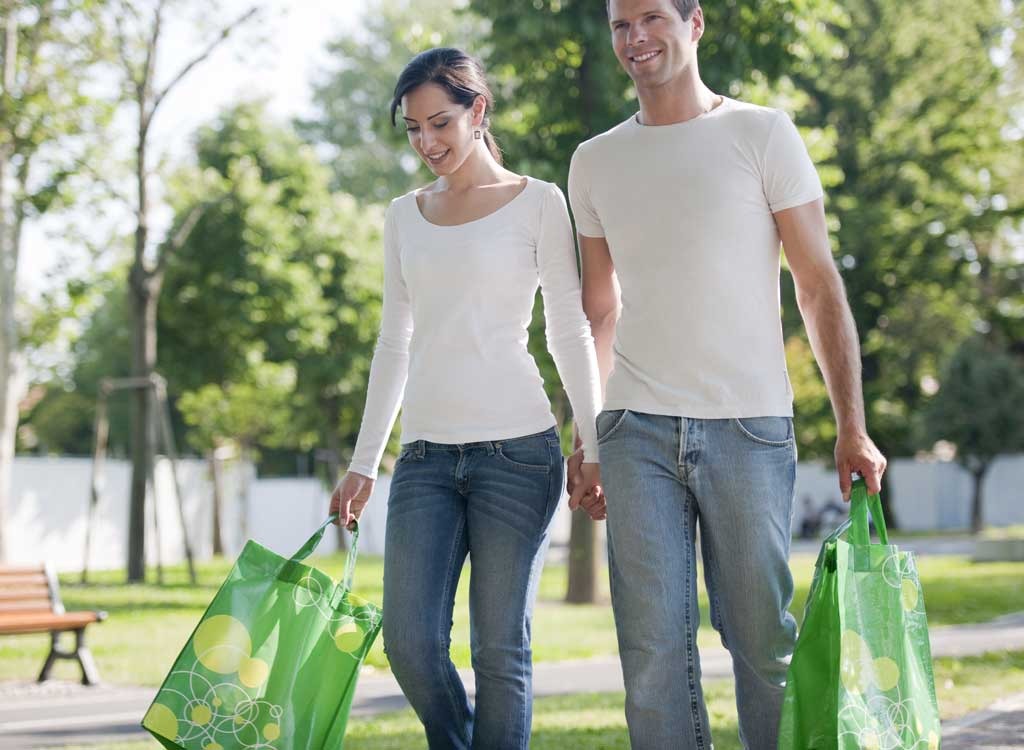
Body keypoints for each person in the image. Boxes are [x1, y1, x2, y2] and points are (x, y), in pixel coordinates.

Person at [565, 1, 888, 748]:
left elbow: (817, 285)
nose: (636, 38)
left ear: (694, 24)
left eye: (652, 18)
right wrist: (585, 437)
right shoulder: (594, 159)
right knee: (650, 658)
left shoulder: (761, 133)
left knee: (762, 646)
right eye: (620, 24)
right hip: (635, 430)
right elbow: (598, 312)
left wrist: (852, 425)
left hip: (748, 426)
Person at [328, 47, 605, 750]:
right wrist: (366, 462)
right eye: (414, 129)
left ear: (478, 111)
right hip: (423, 458)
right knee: (411, 642)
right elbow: (394, 344)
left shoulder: (540, 202)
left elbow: (568, 329)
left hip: (519, 453)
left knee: (499, 650)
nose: (427, 143)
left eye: (440, 123)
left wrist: (595, 442)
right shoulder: (403, 216)